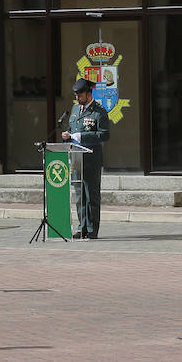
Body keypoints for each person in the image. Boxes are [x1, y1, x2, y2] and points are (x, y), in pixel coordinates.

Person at [63, 76, 111, 240]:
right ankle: (81, 227)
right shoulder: (76, 110)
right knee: (79, 195)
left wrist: (82, 136)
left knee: (91, 195)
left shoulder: (99, 111)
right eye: (76, 95)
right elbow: (71, 128)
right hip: (76, 158)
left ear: (89, 94)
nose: (77, 98)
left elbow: (104, 135)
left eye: (80, 95)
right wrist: (68, 135)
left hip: (91, 159)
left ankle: (92, 229)